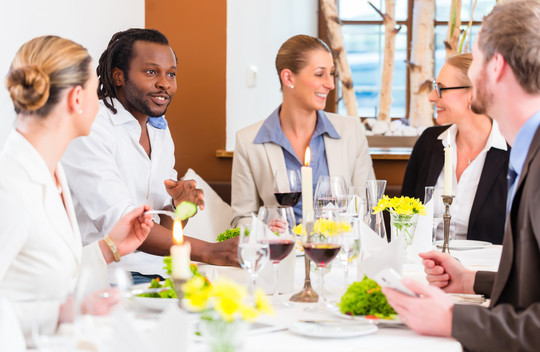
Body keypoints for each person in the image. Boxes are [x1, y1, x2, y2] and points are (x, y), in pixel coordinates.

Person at [383, 0, 540, 352]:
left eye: (477, 59)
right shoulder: (528, 151)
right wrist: (472, 279)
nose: (471, 71)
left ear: (496, 67)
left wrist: (454, 320)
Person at [0, 35, 154, 341]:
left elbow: (38, 269)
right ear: (76, 99)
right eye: (95, 89)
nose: (100, 100)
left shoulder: (51, 170)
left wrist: (109, 248)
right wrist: (65, 313)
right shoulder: (10, 184)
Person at [62, 29, 238, 284]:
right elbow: (123, 224)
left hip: (158, 272)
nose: (164, 83)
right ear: (118, 76)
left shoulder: (159, 131)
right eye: (151, 72)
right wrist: (212, 251)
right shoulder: (92, 126)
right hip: (107, 278)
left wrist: (180, 208)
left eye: (171, 74)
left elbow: (159, 228)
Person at [231, 34, 375, 227]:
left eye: (331, 73)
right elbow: (241, 218)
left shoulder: (351, 132)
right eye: (319, 74)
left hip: (337, 251)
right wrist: (265, 228)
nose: (331, 84)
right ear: (289, 77)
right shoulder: (248, 141)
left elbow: (367, 208)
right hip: (282, 253)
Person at [401, 53, 509, 244]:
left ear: (472, 94)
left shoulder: (513, 152)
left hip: (485, 271)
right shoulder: (429, 142)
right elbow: (404, 216)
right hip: (425, 267)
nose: (431, 97)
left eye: (441, 89)